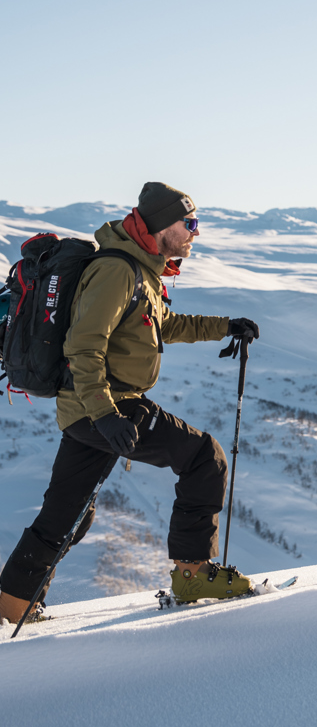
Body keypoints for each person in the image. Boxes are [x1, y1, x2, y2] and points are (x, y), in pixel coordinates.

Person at [0, 182, 259, 624]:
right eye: (189, 223)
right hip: (107, 406)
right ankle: (193, 574)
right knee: (204, 458)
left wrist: (225, 326)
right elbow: (84, 347)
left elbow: (163, 325)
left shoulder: (141, 269)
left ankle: (11, 605)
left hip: (87, 410)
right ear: (162, 225)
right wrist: (106, 417)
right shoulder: (118, 271)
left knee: (66, 515)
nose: (195, 231)